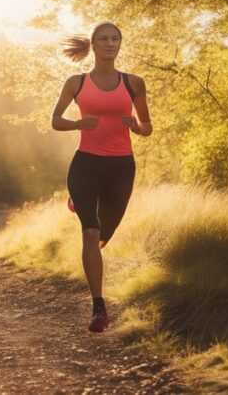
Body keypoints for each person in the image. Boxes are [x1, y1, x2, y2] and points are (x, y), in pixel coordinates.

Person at [50, 21, 153, 333]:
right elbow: (56, 120)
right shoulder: (76, 83)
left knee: (104, 235)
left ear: (120, 44)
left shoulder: (134, 83)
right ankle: (99, 308)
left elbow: (147, 127)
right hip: (85, 165)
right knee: (91, 234)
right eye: (104, 39)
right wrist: (79, 125)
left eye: (115, 39)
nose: (110, 43)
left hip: (121, 167)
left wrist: (136, 127)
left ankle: (79, 205)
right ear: (93, 45)